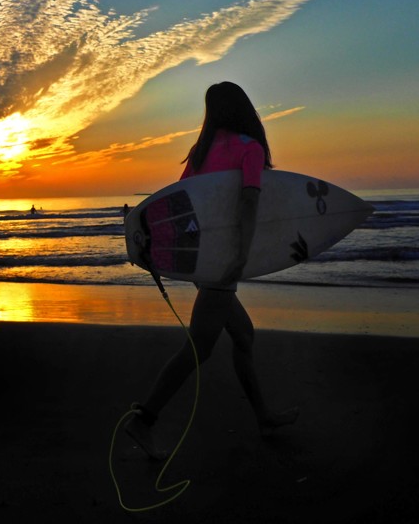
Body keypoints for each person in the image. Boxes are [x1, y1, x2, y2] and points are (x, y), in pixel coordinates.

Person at [125, 82, 299, 460]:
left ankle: (264, 416)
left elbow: (180, 204)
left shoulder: (199, 154)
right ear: (246, 109)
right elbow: (249, 205)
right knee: (199, 349)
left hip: (206, 257)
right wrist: (241, 256)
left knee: (243, 336)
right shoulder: (249, 149)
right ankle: (145, 418)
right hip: (225, 260)